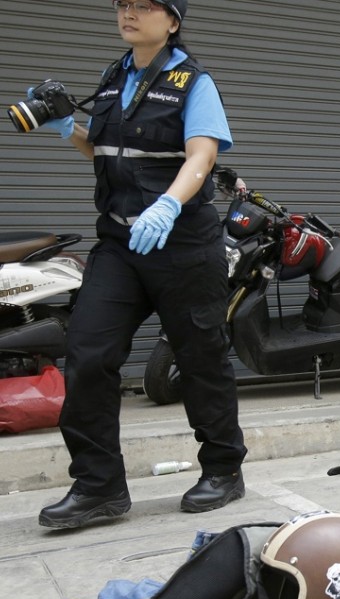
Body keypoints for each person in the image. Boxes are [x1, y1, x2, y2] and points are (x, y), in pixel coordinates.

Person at [33, 0, 247, 529]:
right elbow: (107, 153)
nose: (129, 13)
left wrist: (169, 203)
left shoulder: (194, 82)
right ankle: (98, 487)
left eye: (144, 5)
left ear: (172, 20)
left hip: (184, 245)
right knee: (87, 351)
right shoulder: (111, 77)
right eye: (122, 4)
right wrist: (68, 129)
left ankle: (223, 470)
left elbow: (201, 156)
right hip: (120, 244)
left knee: (201, 358)